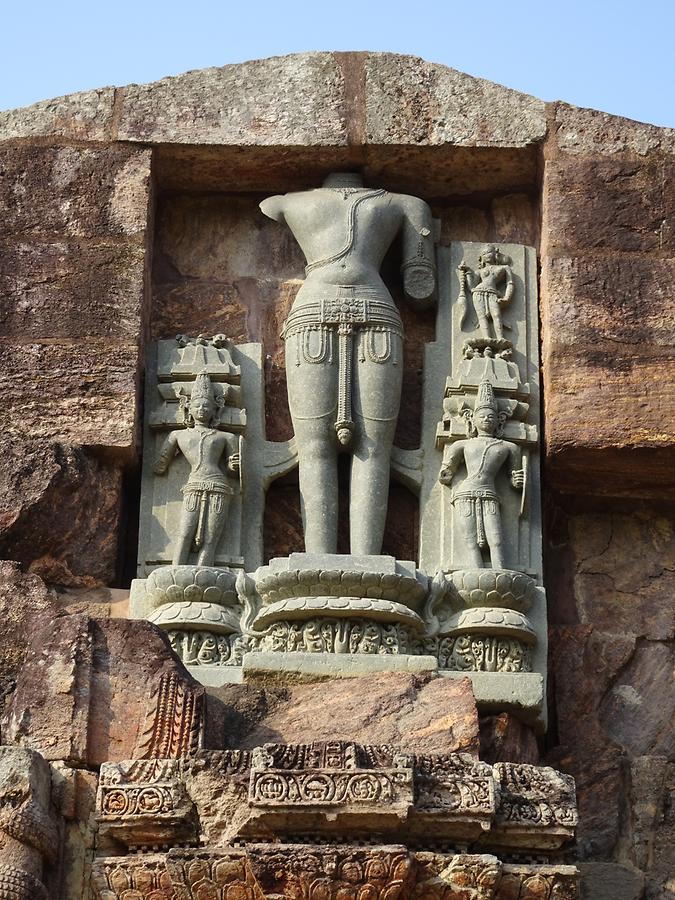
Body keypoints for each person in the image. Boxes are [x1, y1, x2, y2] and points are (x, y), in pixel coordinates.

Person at [260, 172, 435, 555]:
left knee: (349, 448)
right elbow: (420, 287)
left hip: (342, 313)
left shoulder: (291, 200)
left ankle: (350, 560)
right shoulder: (405, 204)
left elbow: (420, 288)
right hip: (348, 313)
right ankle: (333, 559)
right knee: (344, 448)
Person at [154, 373, 239, 566]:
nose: (201, 409)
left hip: (219, 486)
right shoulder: (177, 435)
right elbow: (159, 467)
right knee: (185, 533)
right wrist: (165, 458)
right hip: (193, 486)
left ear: (214, 410)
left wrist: (234, 464)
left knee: (210, 538)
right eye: (197, 405)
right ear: (188, 408)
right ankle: (176, 569)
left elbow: (233, 470)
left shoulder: (226, 437)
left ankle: (204, 570)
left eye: (206, 406)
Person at [439, 381, 524, 569]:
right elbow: (446, 473)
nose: (487, 419)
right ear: (472, 419)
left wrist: (517, 481)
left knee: (495, 539)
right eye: (482, 416)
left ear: (500, 420)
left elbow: (514, 477)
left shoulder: (510, 448)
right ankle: (476, 572)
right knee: (470, 541)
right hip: (465, 494)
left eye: (491, 416)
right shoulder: (461, 445)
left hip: (490, 494)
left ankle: (499, 571)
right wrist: (445, 472)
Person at [457, 244, 514, 341]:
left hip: (493, 293)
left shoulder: (504, 268)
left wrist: (506, 298)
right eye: (484, 253)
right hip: (478, 293)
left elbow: (510, 283)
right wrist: (467, 272)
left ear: (495, 254)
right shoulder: (480, 271)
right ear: (481, 258)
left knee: (496, 315)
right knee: (482, 316)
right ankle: (486, 337)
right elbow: (472, 287)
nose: (487, 255)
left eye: (489, 252)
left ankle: (500, 338)